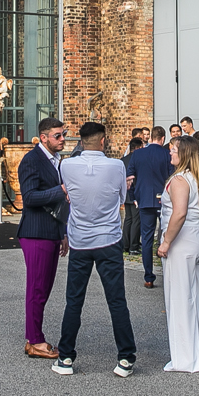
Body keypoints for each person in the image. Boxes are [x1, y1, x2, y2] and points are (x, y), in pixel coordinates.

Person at [54, 122, 136, 377]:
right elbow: (121, 198)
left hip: (80, 240)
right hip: (108, 239)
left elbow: (68, 193)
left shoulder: (66, 165)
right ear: (103, 141)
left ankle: (66, 357)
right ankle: (126, 357)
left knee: (74, 300)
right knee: (116, 300)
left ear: (81, 141)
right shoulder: (116, 166)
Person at [158, 136, 199, 371]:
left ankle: (184, 359)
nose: (171, 153)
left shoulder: (180, 179)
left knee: (180, 298)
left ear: (184, 154)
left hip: (184, 239)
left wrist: (166, 241)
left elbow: (179, 213)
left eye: (174, 150)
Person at [17, 117, 68, 359]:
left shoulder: (55, 160)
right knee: (37, 288)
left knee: (44, 288)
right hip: (35, 232)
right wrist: (61, 190)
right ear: (44, 137)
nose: (62, 139)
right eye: (58, 135)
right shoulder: (32, 160)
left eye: (63, 134)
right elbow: (29, 198)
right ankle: (34, 340)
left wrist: (62, 232)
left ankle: (35, 337)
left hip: (51, 231)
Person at [125, 126, 172, 288]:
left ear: (151, 137)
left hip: (144, 199)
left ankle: (148, 276)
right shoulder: (167, 154)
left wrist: (133, 197)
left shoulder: (138, 154)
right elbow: (172, 177)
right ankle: (168, 273)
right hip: (163, 199)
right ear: (163, 138)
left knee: (146, 239)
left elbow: (129, 178)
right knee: (167, 235)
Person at [120, 137, 144, 254]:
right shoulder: (138, 159)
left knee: (128, 218)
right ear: (138, 148)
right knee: (136, 219)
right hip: (135, 192)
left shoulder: (122, 160)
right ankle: (133, 246)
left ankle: (125, 244)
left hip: (125, 192)